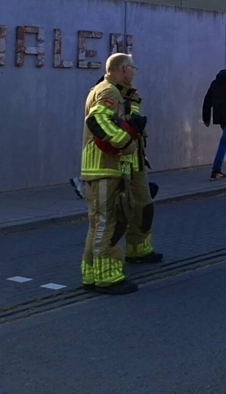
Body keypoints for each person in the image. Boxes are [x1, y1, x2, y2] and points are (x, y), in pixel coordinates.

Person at [80, 53, 144, 295]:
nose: (134, 72)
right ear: (124, 68)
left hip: (99, 168)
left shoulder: (104, 88)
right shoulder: (109, 92)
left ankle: (91, 274)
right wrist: (126, 140)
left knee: (97, 224)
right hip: (105, 168)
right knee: (109, 223)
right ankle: (107, 277)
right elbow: (97, 120)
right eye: (133, 68)